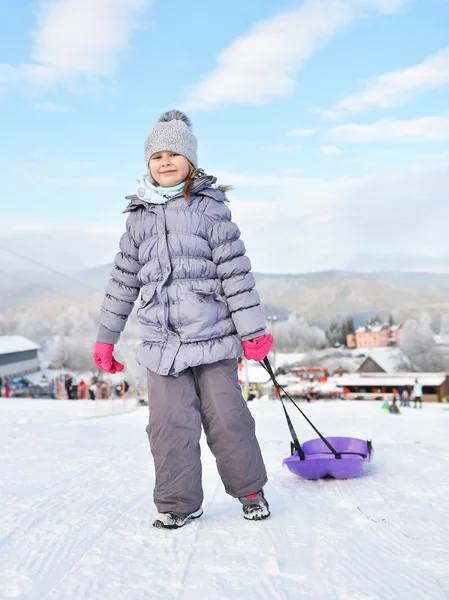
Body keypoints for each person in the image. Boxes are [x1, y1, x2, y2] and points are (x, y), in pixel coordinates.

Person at [93, 110, 273, 530]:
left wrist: (253, 331)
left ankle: (250, 491)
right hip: (161, 346)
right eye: (157, 156)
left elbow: (235, 272)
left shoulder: (210, 209)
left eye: (175, 153)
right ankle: (179, 503)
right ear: (147, 165)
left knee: (229, 420)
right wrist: (106, 337)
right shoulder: (137, 219)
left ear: (191, 160)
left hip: (211, 338)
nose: (165, 161)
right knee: (168, 427)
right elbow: (123, 280)